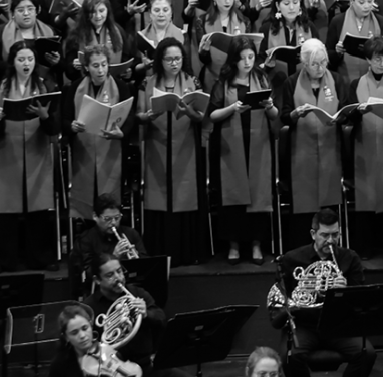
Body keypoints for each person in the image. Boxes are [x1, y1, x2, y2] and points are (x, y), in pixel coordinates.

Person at [269, 208, 372, 377]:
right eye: (325, 235)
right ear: (313, 234)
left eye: (335, 235)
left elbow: (361, 300)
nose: (331, 240)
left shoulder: (349, 259)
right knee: (289, 356)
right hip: (306, 324)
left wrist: (346, 291)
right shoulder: (292, 259)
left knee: (366, 353)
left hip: (338, 325)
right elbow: (285, 294)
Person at [207, 37, 280, 264]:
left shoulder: (261, 78)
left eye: (250, 57)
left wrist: (270, 107)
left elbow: (275, 115)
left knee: (258, 194)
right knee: (233, 195)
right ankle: (234, 244)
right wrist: (231, 108)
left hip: (259, 144)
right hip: (231, 146)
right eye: (242, 58)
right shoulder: (224, 82)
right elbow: (212, 115)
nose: (247, 62)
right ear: (234, 60)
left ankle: (257, 244)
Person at [135, 37, 206, 264]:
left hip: (185, 146)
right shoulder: (147, 83)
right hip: (157, 145)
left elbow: (201, 116)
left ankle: (186, 253)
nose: (174, 63)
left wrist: (190, 112)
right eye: (169, 59)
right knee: (159, 198)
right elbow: (138, 115)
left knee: (184, 197)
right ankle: (159, 253)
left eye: (178, 59)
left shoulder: (191, 81)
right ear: (160, 60)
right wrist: (146, 117)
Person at [279, 38, 346, 244]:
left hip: (330, 147)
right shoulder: (291, 82)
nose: (320, 68)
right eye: (315, 64)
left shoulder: (336, 79)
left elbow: (345, 108)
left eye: (324, 62)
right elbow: (284, 116)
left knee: (329, 196)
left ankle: (330, 242)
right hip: (301, 150)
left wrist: (341, 116)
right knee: (304, 199)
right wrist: (295, 114)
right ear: (304, 64)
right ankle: (303, 244)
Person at [0, 40, 60, 272]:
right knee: (6, 208)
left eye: (30, 59)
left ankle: (40, 258)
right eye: (21, 59)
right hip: (8, 153)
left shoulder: (45, 85)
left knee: (38, 207)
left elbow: (54, 129)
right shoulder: (3, 87)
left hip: (37, 151)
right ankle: (7, 261)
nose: (26, 64)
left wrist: (45, 116)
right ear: (13, 62)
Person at [345, 37, 383, 257]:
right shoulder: (356, 84)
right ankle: (366, 247)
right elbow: (348, 116)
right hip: (365, 145)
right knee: (367, 193)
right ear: (368, 60)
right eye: (377, 59)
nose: (382, 63)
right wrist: (357, 112)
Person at [66, 44, 132, 221]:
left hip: (111, 152)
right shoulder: (74, 88)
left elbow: (130, 118)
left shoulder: (120, 87)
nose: (101, 70)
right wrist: (71, 126)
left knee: (109, 198)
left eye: (104, 64)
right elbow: (64, 120)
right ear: (86, 67)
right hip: (84, 154)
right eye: (96, 66)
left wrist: (122, 133)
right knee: (88, 199)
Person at [68, 195, 147, 298]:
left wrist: (137, 258)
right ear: (95, 216)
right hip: (101, 293)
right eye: (107, 219)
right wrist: (113, 257)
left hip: (131, 288)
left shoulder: (131, 234)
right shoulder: (86, 239)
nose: (113, 223)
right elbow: (88, 274)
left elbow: (147, 266)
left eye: (117, 218)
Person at [327, 0, 383, 83]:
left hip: (374, 80)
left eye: (370, 1)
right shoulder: (338, 21)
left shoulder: (381, 21)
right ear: (351, 1)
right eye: (361, 2)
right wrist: (337, 52)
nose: (366, 6)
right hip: (345, 79)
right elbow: (328, 54)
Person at [193, 0, 249, 91]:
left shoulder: (244, 21)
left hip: (238, 75)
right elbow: (203, 59)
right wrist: (205, 51)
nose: (227, 1)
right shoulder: (202, 21)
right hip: (212, 76)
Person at [264, 0, 317, 85]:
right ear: (278, 6)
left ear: (300, 5)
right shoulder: (267, 28)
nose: (291, 7)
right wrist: (266, 65)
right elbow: (260, 59)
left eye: (295, 2)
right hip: (275, 81)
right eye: (286, 3)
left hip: (306, 79)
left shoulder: (309, 27)